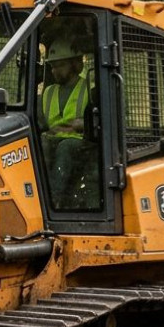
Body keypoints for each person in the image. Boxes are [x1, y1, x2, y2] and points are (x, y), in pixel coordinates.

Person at [40, 39, 97, 208]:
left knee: (66, 147)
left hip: (81, 141)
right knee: (38, 144)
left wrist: (83, 125)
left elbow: (97, 121)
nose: (54, 70)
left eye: (60, 65)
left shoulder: (90, 88)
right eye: (52, 66)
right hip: (54, 138)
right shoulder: (48, 92)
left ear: (74, 64)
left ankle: (54, 200)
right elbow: (41, 122)